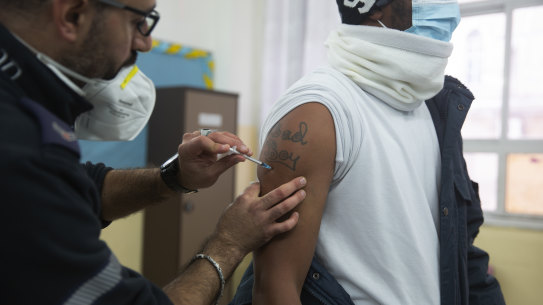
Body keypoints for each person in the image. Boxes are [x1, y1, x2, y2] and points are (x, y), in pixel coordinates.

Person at [0, 1, 307, 305]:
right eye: (138, 22)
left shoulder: (22, 108)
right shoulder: (21, 151)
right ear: (73, 15)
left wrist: (174, 176)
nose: (146, 42)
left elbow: (84, 188)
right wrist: (230, 243)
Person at [231, 0, 506, 304]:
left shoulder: (433, 108)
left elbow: (462, 253)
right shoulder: (318, 111)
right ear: (372, 6)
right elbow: (275, 291)